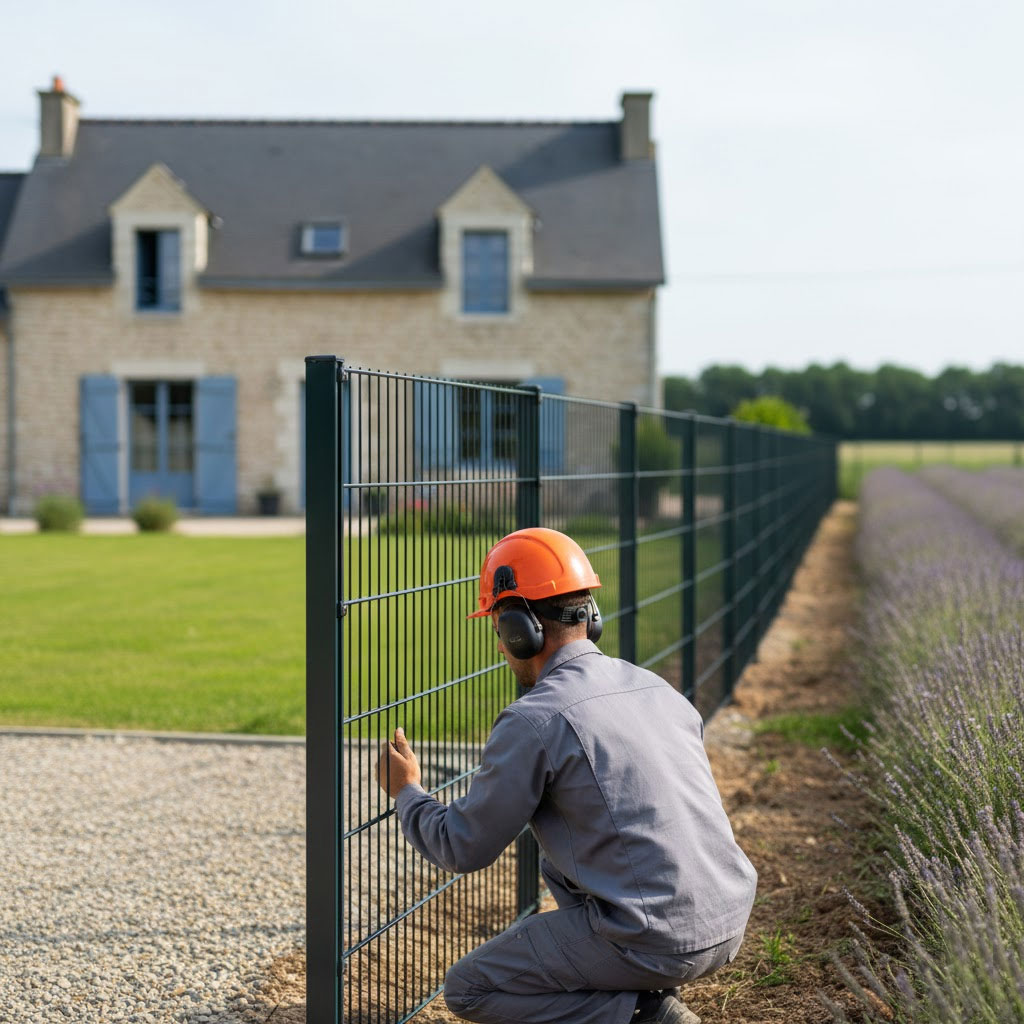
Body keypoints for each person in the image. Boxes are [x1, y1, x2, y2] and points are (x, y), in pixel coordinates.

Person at [376, 527, 757, 1024]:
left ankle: (646, 1015)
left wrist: (407, 791)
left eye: (497, 628)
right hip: (727, 918)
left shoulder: (535, 718)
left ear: (520, 628)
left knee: (470, 987)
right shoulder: (655, 687)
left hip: (658, 936)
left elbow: (462, 847)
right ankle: (641, 988)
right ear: (589, 617)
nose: (499, 646)